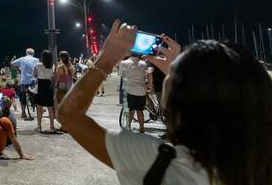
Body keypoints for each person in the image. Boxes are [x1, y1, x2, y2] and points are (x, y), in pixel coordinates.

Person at [59, 20, 272, 185]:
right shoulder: (258, 164)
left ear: (181, 101)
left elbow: (69, 115)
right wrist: (185, 73)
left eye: (171, 76)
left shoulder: (161, 161)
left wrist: (108, 56)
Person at [117, 54, 148, 133]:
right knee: (140, 111)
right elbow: (146, 75)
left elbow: (121, 74)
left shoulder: (124, 63)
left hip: (129, 90)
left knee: (129, 110)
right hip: (141, 91)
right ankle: (142, 129)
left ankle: (128, 128)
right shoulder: (144, 64)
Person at [11, 48, 39, 119]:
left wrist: (19, 69)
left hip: (23, 81)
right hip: (32, 80)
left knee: (22, 97)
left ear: (26, 53)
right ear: (33, 53)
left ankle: (23, 113)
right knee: (34, 95)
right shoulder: (36, 60)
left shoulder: (22, 59)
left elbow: (12, 63)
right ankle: (36, 108)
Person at [34, 50, 57, 133]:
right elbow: (53, 76)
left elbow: (34, 75)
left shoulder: (38, 65)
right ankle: (52, 126)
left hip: (40, 86)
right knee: (50, 108)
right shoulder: (53, 66)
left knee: (39, 107)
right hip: (48, 86)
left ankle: (39, 126)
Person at [55, 50, 75, 132]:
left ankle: (64, 127)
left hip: (62, 88)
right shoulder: (72, 67)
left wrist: (55, 88)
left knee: (62, 108)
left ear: (61, 58)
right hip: (70, 87)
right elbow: (72, 77)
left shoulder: (60, 67)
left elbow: (57, 79)